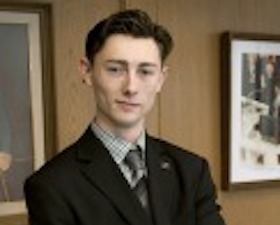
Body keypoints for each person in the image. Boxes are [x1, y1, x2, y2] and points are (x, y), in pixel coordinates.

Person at [24, 9, 226, 225]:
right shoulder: (52, 185)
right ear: (87, 71)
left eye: (145, 72)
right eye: (115, 70)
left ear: (161, 79)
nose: (131, 87)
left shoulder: (192, 171)